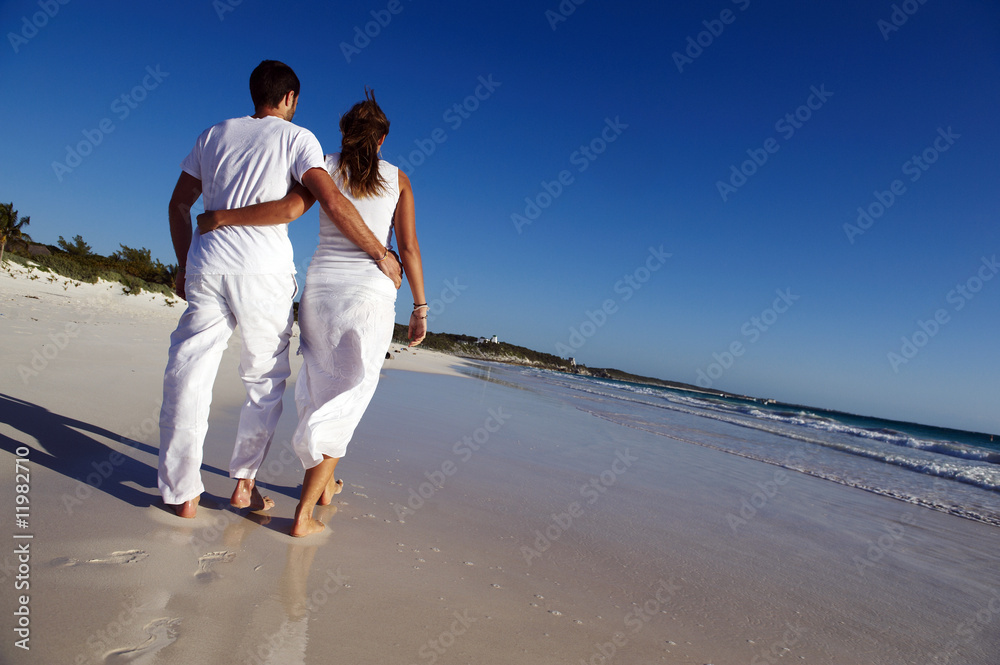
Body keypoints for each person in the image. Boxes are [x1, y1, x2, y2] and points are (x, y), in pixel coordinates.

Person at [160, 62, 402, 519]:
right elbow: (317, 202)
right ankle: (243, 485)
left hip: (207, 265)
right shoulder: (297, 138)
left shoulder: (212, 134)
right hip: (263, 272)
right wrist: (380, 253)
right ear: (289, 97)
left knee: (187, 372)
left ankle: (180, 493)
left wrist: (182, 262)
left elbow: (178, 203)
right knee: (263, 382)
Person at [198, 89, 427, 536]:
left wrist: (223, 217)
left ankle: (325, 488)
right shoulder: (397, 178)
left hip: (320, 293)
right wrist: (420, 306)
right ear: (381, 141)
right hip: (369, 296)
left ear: (345, 133)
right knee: (350, 397)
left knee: (326, 388)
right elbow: (410, 249)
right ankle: (302, 516)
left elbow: (289, 209)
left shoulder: (322, 165)